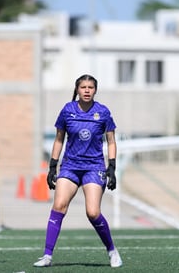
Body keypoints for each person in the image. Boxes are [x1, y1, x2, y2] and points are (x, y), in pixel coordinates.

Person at [33, 74, 123, 268]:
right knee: (58, 206)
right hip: (70, 166)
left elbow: (111, 141)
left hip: (94, 167)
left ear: (95, 90)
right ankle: (47, 256)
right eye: (83, 87)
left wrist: (112, 167)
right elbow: (59, 139)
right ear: (77, 89)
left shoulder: (103, 112)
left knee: (92, 212)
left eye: (91, 87)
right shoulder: (68, 110)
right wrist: (52, 166)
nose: (87, 90)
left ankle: (112, 251)